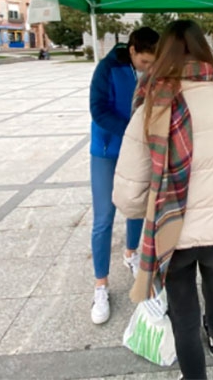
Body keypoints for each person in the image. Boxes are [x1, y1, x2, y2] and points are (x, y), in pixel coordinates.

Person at [113, 20, 213, 380]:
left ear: (163, 54)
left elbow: (126, 196)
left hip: (171, 238)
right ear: (205, 51)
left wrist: (157, 206)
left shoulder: (150, 106)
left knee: (182, 317)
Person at [88, 26, 159, 325]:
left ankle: (131, 254)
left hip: (136, 151)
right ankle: (101, 285)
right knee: (104, 218)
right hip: (107, 151)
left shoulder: (153, 69)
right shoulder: (107, 68)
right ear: (132, 50)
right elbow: (98, 110)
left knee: (135, 207)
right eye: (145, 63)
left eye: (152, 64)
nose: (148, 68)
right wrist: (130, 129)